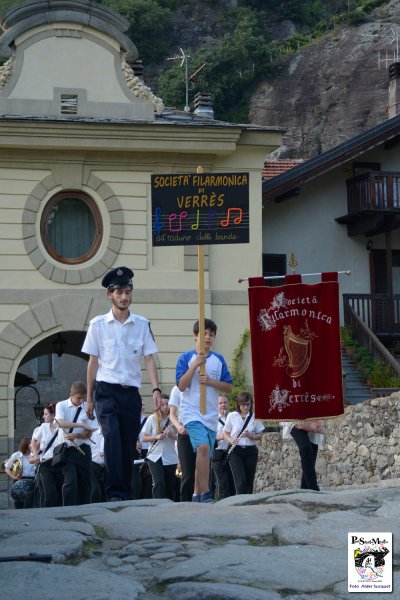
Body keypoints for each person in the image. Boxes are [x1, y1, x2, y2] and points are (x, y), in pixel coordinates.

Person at [82, 266, 162, 501]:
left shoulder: (142, 324)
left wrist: (156, 388)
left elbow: (149, 358)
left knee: (128, 444)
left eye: (128, 292)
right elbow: (92, 362)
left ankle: (125, 493)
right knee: (113, 438)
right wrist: (88, 397)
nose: (124, 297)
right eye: (119, 293)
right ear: (110, 295)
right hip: (106, 391)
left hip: (131, 394)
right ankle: (114, 493)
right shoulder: (97, 325)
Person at [176, 318, 232, 503]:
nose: (208, 337)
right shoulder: (186, 358)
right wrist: (194, 365)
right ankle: (207, 493)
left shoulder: (218, 360)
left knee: (205, 455)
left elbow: (228, 387)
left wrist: (210, 381)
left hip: (210, 415)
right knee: (203, 447)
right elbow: (182, 386)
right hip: (191, 412)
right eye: (204, 334)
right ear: (196, 336)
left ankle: (196, 494)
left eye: (211, 334)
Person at [55, 380, 96, 506]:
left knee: (85, 483)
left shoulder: (87, 408)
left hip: (83, 450)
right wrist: (80, 424)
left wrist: (77, 434)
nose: (81, 401)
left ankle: (85, 510)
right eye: (78, 398)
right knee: (70, 481)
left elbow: (89, 434)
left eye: (83, 398)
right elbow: (60, 422)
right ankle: (68, 510)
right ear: (71, 394)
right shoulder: (61, 405)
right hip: (66, 450)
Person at [224, 391, 265, 495]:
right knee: (240, 480)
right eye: (243, 404)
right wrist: (231, 440)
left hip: (251, 451)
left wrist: (251, 436)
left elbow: (260, 435)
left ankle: (248, 504)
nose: (246, 407)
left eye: (248, 404)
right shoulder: (232, 416)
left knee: (249, 481)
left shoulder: (255, 417)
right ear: (238, 404)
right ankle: (240, 505)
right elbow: (225, 433)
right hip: (235, 451)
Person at [141, 394, 178, 500]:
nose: (165, 407)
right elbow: (143, 438)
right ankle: (157, 504)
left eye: (167, 404)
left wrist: (171, 434)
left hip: (170, 457)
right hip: (155, 456)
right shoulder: (152, 418)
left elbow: (180, 438)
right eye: (162, 404)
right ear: (158, 405)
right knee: (159, 482)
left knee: (170, 485)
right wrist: (156, 436)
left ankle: (169, 507)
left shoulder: (173, 419)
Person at [30, 403, 63, 507]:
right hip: (45, 464)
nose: (43, 416)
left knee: (60, 492)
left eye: (45, 414)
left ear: (53, 415)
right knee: (49, 492)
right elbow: (34, 442)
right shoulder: (43, 427)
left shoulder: (62, 428)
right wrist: (35, 454)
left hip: (60, 462)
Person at [169, 385, 197, 502]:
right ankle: (185, 502)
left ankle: (202, 499)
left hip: (200, 432)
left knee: (202, 471)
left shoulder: (201, 387)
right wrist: (179, 427)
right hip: (185, 434)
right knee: (188, 473)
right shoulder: (177, 389)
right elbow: (172, 415)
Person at [280, 420, 324, 491]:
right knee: (305, 447)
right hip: (295, 419)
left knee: (311, 455)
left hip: (313, 420)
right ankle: (313, 487)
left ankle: (304, 487)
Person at [211, 395, 235, 500]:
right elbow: (208, 437)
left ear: (228, 404)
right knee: (222, 482)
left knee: (232, 480)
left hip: (231, 452)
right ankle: (222, 504)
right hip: (218, 453)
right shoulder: (212, 419)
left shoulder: (233, 417)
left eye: (225, 403)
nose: (223, 405)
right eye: (220, 403)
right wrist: (220, 437)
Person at [4, 437, 36, 509]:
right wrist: (13, 477)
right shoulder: (17, 455)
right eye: (30, 443)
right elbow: (7, 468)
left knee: (29, 505)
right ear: (25, 445)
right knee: (18, 504)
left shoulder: (35, 455)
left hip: (32, 481)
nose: (33, 445)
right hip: (19, 480)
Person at [90, 425, 105, 503]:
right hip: (93, 464)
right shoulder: (92, 435)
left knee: (105, 490)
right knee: (95, 489)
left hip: (106, 466)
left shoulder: (109, 435)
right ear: (99, 423)